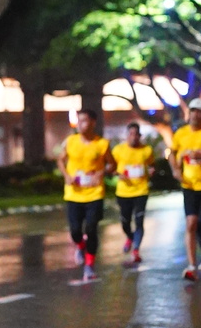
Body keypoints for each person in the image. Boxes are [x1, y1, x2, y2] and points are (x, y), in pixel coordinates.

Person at [57, 109, 117, 281]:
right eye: (79, 121)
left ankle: (89, 265)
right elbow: (60, 159)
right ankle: (80, 245)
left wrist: (101, 172)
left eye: (84, 121)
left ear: (93, 123)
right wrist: (66, 175)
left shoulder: (102, 144)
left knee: (91, 228)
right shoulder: (71, 141)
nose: (81, 124)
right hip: (74, 194)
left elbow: (112, 164)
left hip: (94, 194)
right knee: (75, 231)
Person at [168, 97, 201, 282]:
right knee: (191, 223)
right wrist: (175, 170)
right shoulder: (181, 133)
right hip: (190, 185)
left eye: (198, 112)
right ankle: (192, 266)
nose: (195, 115)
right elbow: (172, 153)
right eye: (192, 111)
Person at [112, 121, 155, 265]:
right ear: (126, 135)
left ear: (140, 136)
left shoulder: (146, 150)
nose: (134, 137)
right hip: (123, 192)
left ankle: (136, 250)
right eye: (131, 134)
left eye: (136, 134)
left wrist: (151, 170)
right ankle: (130, 237)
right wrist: (118, 174)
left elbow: (152, 164)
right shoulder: (118, 150)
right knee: (125, 222)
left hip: (141, 190)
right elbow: (111, 167)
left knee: (139, 221)